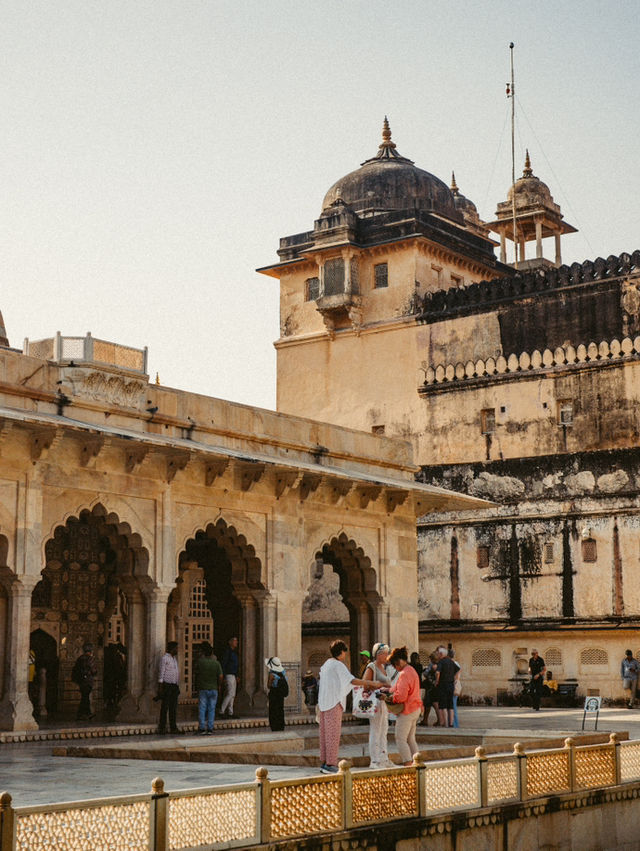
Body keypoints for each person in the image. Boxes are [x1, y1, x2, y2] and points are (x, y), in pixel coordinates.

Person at [318, 640, 385, 774]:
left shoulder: (326, 664)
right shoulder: (338, 665)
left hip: (323, 703)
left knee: (325, 734)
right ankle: (330, 763)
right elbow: (352, 680)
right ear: (341, 652)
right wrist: (371, 683)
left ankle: (324, 762)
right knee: (333, 734)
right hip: (334, 702)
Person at [381, 646, 423, 766]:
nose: (394, 668)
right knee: (410, 739)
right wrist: (388, 689)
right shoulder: (411, 670)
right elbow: (400, 687)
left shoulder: (404, 673)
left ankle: (408, 764)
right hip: (415, 708)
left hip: (407, 710)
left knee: (400, 739)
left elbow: (401, 696)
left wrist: (387, 698)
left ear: (399, 661)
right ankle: (417, 764)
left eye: (394, 665)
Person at [362, 642, 397, 768]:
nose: (387, 656)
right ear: (378, 654)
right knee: (376, 730)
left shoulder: (383, 667)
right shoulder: (372, 666)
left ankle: (384, 758)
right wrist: (380, 685)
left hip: (383, 702)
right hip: (375, 701)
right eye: (385, 653)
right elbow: (365, 684)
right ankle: (374, 760)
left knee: (384, 730)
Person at [196, 642, 223, 734]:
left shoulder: (200, 662)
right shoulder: (216, 663)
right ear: (211, 653)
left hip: (203, 688)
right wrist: (219, 685)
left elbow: (197, 673)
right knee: (212, 709)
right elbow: (220, 676)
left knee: (202, 708)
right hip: (213, 688)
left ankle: (202, 728)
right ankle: (210, 728)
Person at [157, 640, 180, 734]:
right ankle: (162, 727)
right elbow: (161, 672)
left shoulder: (174, 659)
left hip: (174, 685)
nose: (177, 650)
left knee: (173, 707)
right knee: (165, 707)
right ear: (172, 649)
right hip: (167, 685)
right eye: (176, 648)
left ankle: (173, 727)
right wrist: (160, 686)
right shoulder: (164, 658)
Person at [72, 642, 97, 721]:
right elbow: (94, 671)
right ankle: (84, 714)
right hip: (88, 681)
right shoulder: (90, 659)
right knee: (85, 698)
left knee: (84, 697)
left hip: (81, 681)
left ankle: (85, 713)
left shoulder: (80, 658)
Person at [435, 645, 456, 727]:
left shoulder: (441, 662)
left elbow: (437, 672)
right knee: (450, 705)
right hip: (451, 684)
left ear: (441, 654)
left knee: (443, 705)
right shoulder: (451, 661)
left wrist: (437, 681)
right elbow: (457, 670)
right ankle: (451, 723)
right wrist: (455, 679)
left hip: (443, 685)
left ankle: (444, 723)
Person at [266, 656, 289, 731]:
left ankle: (274, 727)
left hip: (274, 693)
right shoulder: (283, 673)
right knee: (280, 710)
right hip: (280, 695)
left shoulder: (272, 674)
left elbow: (268, 686)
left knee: (273, 711)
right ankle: (280, 726)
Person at [220, 636, 239, 718]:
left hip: (233, 675)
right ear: (230, 642)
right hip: (228, 674)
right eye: (235, 641)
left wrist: (237, 675)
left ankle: (230, 712)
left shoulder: (234, 652)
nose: (236, 642)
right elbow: (224, 664)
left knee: (233, 694)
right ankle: (221, 710)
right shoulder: (227, 652)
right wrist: (223, 675)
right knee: (230, 693)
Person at [421, 653, 439, 726]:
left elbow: (425, 673)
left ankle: (425, 720)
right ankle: (439, 720)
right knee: (436, 704)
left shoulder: (432, 665)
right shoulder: (440, 665)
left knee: (428, 704)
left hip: (430, 687)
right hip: (436, 686)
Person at [449, 648, 461, 728]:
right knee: (453, 705)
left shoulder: (453, 664)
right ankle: (454, 723)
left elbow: (457, 674)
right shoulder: (457, 663)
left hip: (453, 685)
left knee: (452, 706)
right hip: (456, 685)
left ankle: (455, 724)